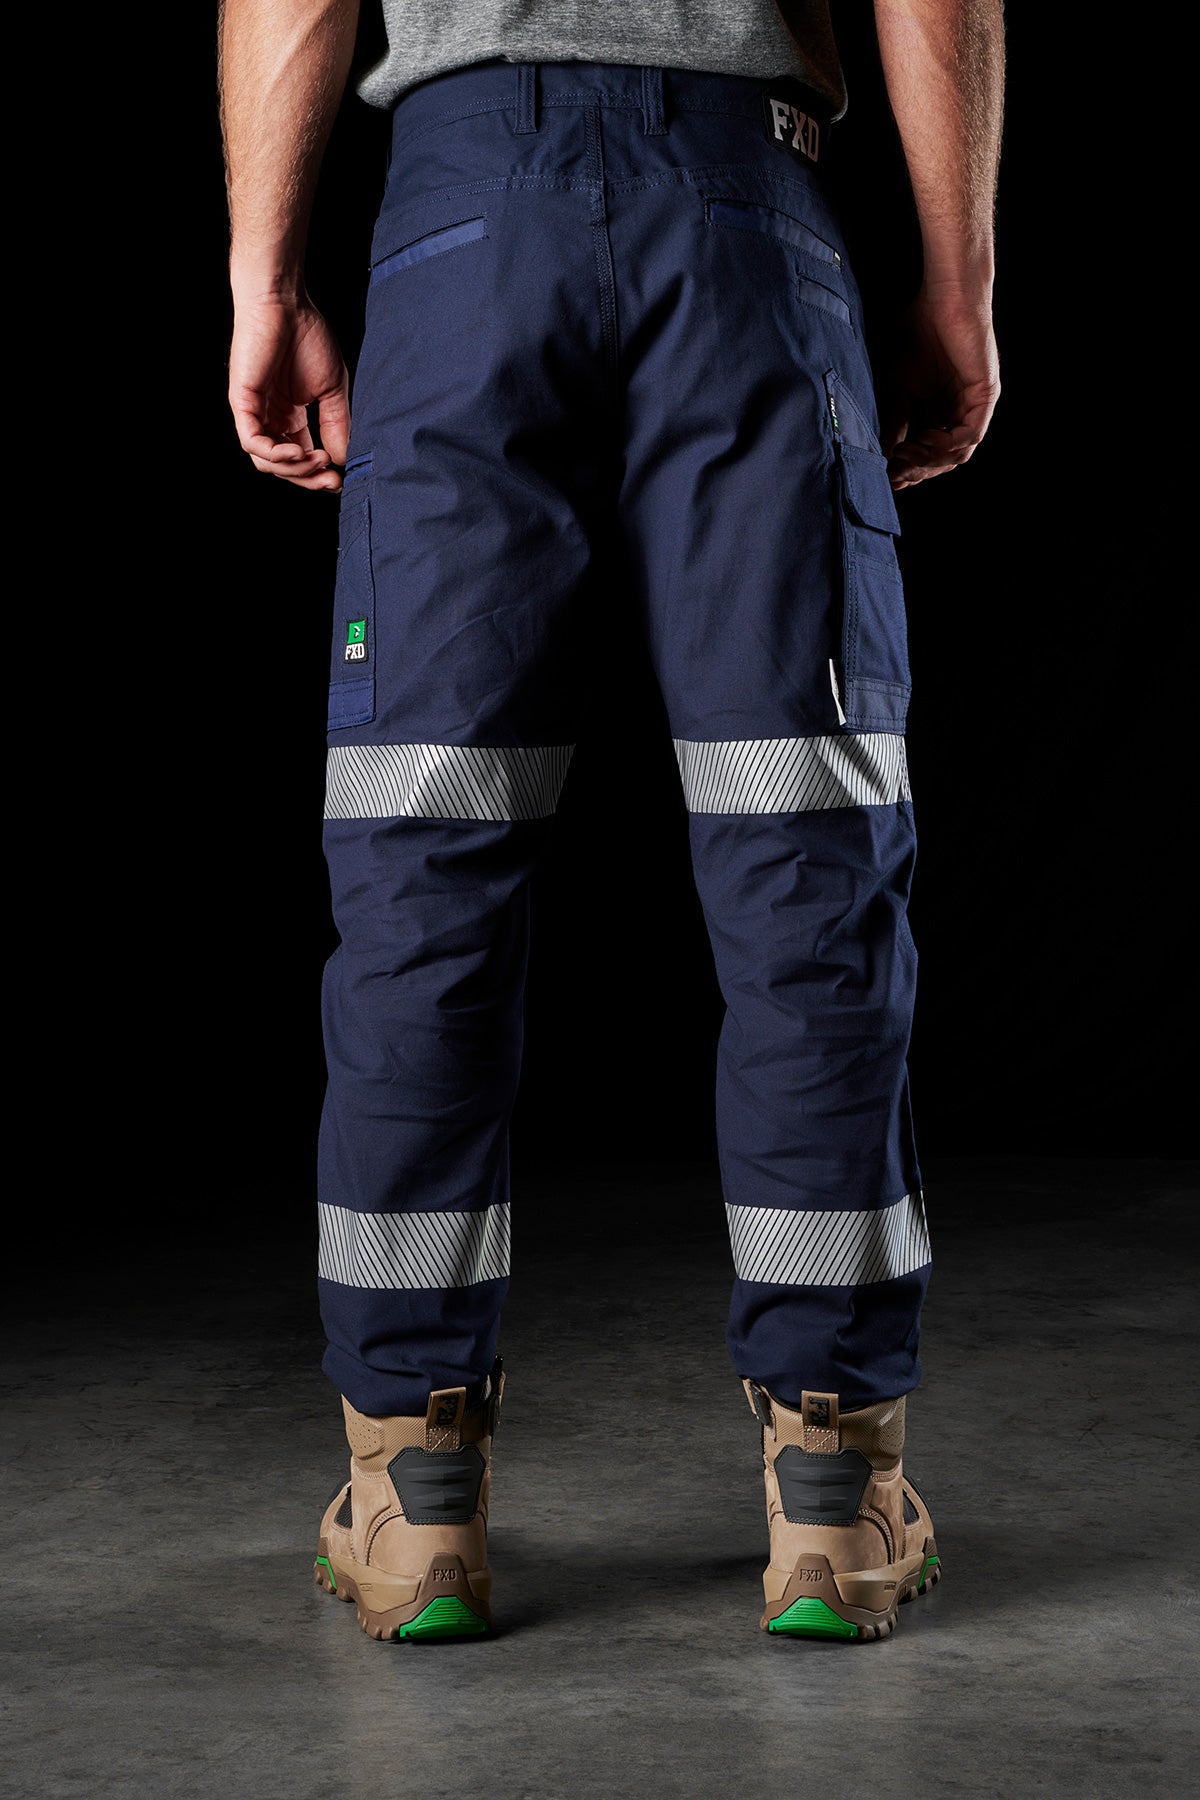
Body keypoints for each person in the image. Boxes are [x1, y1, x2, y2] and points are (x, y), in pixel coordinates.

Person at [220, 0, 1002, 1643]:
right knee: (806, 864)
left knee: (424, 868)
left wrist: (263, 275)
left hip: (462, 221)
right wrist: (958, 279)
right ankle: (833, 1495)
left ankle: (415, 1494)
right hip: (745, 211)